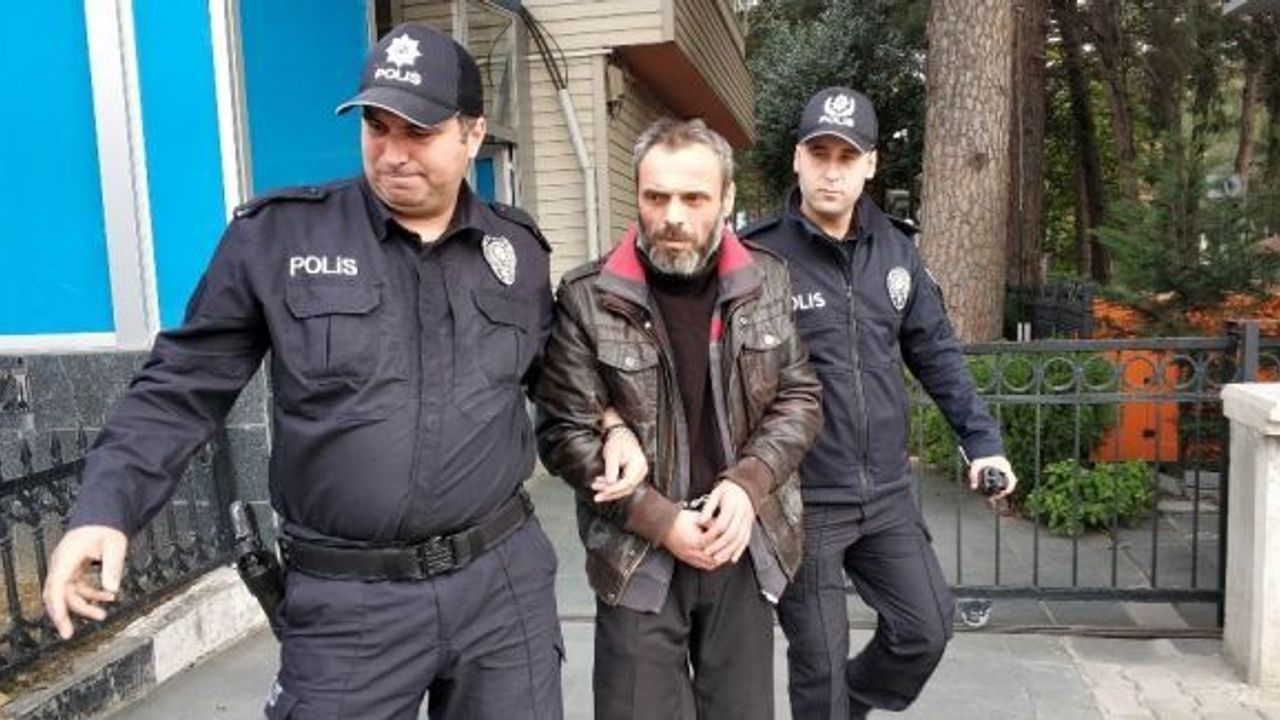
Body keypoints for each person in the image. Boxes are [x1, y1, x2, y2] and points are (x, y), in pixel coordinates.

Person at [41, 23, 645, 720]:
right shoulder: (280, 238)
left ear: (472, 135)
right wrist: (106, 507)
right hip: (349, 605)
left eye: (418, 132)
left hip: (500, 588)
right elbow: (180, 388)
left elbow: (553, 371)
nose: (393, 152)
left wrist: (611, 422)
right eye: (376, 127)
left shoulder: (515, 251)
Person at [741, 87, 1019, 719]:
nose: (831, 171)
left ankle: (849, 705)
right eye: (819, 154)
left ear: (869, 164)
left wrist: (982, 441)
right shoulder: (757, 257)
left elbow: (936, 352)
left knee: (926, 629)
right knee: (819, 669)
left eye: (847, 156)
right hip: (803, 501)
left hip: (886, 496)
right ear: (798, 159)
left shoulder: (896, 250)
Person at [534, 117, 824, 720]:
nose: (672, 215)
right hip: (636, 550)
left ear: (726, 198)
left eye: (693, 198)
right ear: (637, 195)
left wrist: (748, 483)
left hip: (739, 541)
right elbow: (563, 430)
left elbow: (799, 397)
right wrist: (660, 520)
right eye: (656, 196)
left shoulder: (766, 280)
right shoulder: (587, 296)